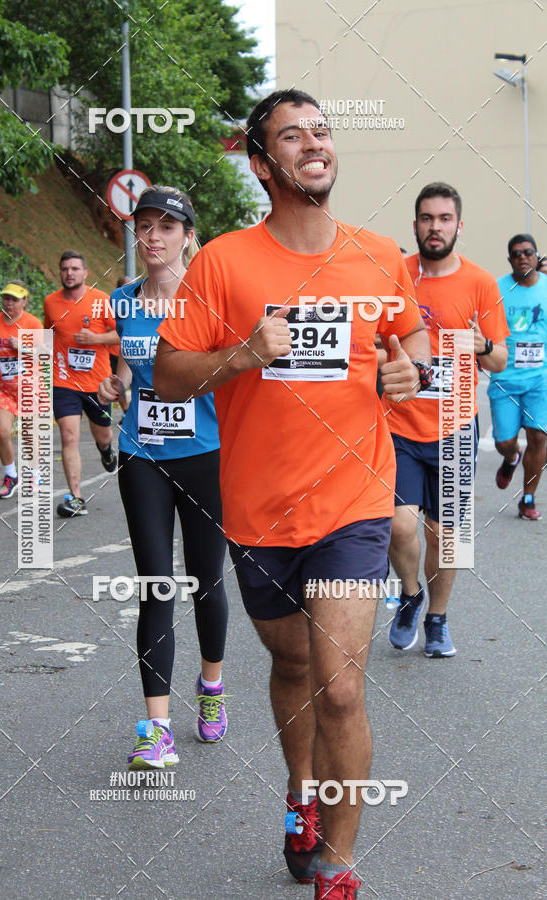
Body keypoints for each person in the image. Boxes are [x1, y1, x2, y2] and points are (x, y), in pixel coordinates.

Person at [153, 90, 430, 900]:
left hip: (354, 502)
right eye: (292, 134)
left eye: (323, 130)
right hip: (260, 508)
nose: (315, 143)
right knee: (291, 660)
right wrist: (239, 356)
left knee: (341, 685)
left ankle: (337, 872)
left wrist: (406, 364)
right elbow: (168, 377)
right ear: (262, 161)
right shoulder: (224, 263)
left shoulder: (379, 255)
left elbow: (406, 333)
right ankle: (299, 794)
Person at [98, 186, 228, 771]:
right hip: (143, 454)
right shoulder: (123, 302)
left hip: (205, 454)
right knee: (155, 584)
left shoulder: (210, 304)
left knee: (205, 581)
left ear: (188, 237)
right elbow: (127, 365)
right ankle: (157, 727)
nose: (152, 236)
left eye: (166, 227)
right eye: (144, 226)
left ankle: (212, 687)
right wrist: (116, 384)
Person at [384, 182, 509, 659]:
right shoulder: (396, 275)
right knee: (399, 527)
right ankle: (409, 594)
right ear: (415, 225)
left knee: (447, 538)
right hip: (399, 423)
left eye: (444, 219)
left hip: (456, 425)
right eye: (427, 218)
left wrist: (481, 347)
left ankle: (436, 618)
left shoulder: (481, 284)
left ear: (459, 225)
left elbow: (500, 359)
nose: (435, 227)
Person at [44, 251, 119, 517]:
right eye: (65, 269)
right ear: (60, 272)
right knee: (68, 435)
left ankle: (106, 450)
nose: (69, 273)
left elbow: (120, 336)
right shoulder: (50, 302)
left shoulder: (101, 301)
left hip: (97, 383)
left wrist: (96, 339)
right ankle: (76, 497)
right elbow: (49, 335)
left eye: (75, 268)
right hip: (64, 380)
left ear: (85, 273)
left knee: (104, 434)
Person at [489, 233, 547, 519]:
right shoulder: (496, 289)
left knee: (538, 437)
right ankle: (511, 457)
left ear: (536, 256)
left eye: (528, 252)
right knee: (504, 442)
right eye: (516, 253)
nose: (523, 256)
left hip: (540, 379)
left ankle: (528, 499)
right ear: (510, 260)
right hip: (505, 380)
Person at [0, 281, 43, 498]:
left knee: (29, 434)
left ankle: (35, 475)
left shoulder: (32, 323)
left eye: (14, 299)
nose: (9, 303)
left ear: (25, 301)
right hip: (2, 387)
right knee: (1, 432)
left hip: (29, 387)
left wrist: (22, 347)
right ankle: (11, 475)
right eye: (6, 298)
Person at [110, 276, 132, 419]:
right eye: (124, 287)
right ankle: (126, 411)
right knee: (119, 384)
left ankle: (130, 412)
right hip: (114, 353)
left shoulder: (141, 304)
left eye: (130, 286)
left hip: (133, 351)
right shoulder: (113, 305)